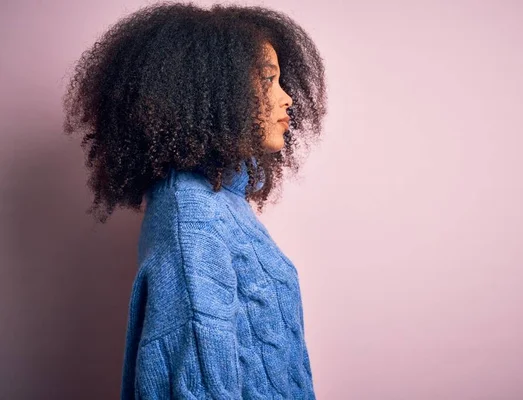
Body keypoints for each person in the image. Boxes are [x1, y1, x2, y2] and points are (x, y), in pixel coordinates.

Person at [62, 2, 327, 399]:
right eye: (268, 81)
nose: (287, 98)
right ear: (218, 93)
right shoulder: (193, 222)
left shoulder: (222, 200)